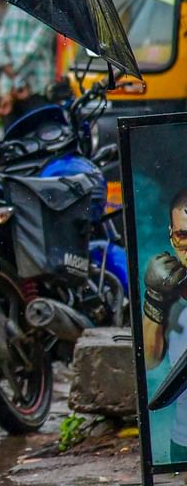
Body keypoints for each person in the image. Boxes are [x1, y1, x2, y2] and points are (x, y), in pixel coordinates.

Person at [141, 189, 187, 456]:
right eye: (183, 236)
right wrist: (155, 301)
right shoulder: (167, 290)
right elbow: (147, 360)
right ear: (171, 235)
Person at [0, 2, 55, 128]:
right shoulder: (48, 12)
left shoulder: (13, 8)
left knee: (13, 142)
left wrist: (13, 81)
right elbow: (31, 52)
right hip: (34, 89)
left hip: (11, 90)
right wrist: (17, 82)